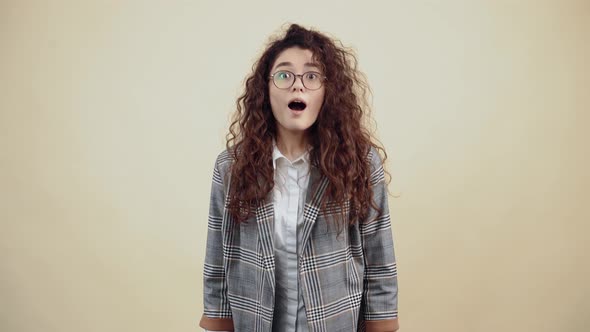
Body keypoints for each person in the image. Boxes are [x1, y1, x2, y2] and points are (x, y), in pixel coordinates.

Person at [199, 23, 399, 332]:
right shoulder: (231, 167)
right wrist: (218, 319)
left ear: (327, 91)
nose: (297, 86)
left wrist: (380, 324)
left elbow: (379, 260)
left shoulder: (359, 163)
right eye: (283, 75)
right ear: (265, 90)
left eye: (312, 76)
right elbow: (218, 257)